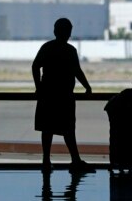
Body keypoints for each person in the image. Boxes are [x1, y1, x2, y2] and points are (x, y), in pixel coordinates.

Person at [32, 18, 94, 174]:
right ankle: (75, 160)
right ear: (69, 33)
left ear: (55, 31)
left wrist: (39, 86)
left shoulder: (47, 48)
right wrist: (87, 87)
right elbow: (77, 71)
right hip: (65, 95)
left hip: (47, 94)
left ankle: (46, 160)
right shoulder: (70, 51)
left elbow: (35, 66)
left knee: (47, 129)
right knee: (68, 130)